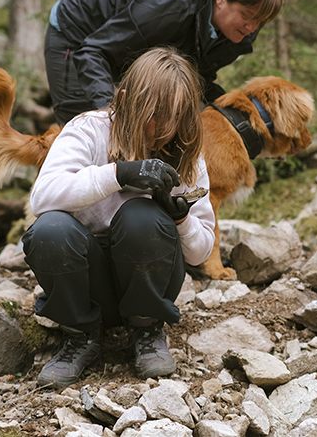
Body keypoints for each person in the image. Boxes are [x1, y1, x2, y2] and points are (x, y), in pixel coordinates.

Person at [21, 47, 215, 389]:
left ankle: (146, 330)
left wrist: (180, 218)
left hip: (148, 283)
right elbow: (42, 197)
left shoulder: (186, 152)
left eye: (176, 117)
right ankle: (80, 336)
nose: (164, 128)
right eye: (155, 114)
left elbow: (201, 253)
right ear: (124, 99)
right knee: (49, 229)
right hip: (88, 281)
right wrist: (118, 174)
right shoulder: (88, 130)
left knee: (142, 216)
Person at [45, 0, 283, 124]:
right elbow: (93, 52)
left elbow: (199, 80)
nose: (252, 28)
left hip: (116, 47)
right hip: (76, 33)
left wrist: (242, 115)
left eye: (259, 21)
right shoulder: (171, 6)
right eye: (247, 15)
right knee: (83, 131)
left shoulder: (232, 36)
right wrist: (109, 112)